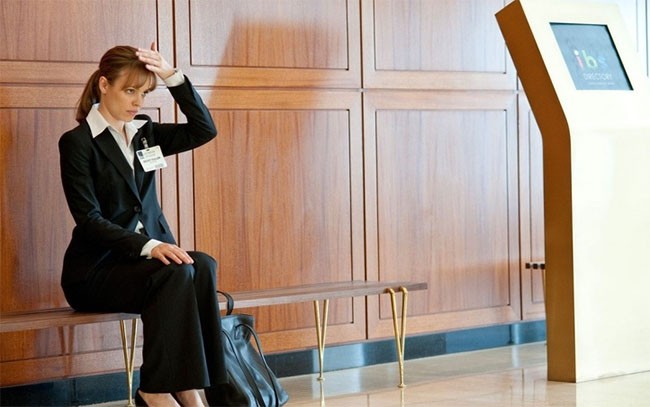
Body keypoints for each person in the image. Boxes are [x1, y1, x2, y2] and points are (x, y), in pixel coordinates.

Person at [58, 43, 225, 407]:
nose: (137, 102)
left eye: (145, 93)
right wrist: (150, 246)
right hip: (96, 271)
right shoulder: (78, 143)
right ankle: (156, 389)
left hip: (142, 268)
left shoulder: (145, 132)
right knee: (175, 273)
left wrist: (170, 75)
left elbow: (204, 129)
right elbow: (89, 220)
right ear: (104, 85)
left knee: (202, 265)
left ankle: (198, 386)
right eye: (130, 90)